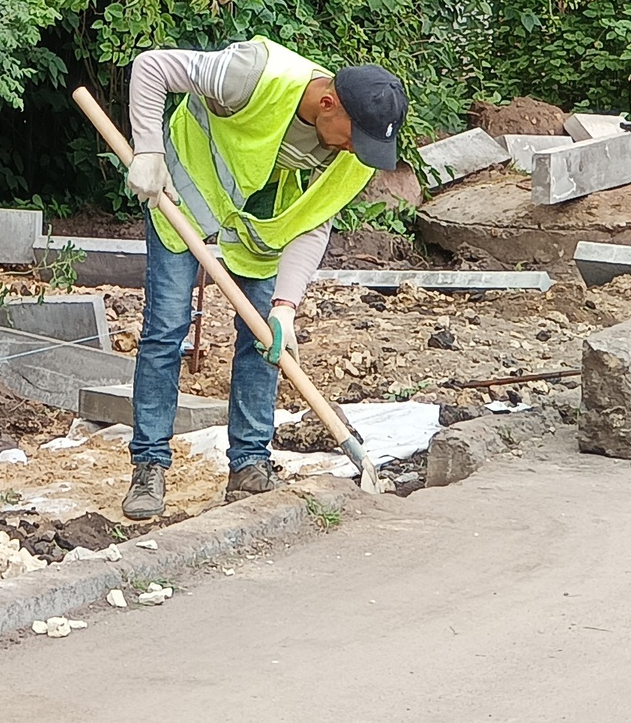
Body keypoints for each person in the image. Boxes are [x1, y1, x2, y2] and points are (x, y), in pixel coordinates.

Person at [116, 38, 419, 520]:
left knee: (264, 340)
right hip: (183, 194)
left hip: (259, 230)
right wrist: (149, 151)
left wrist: (285, 308)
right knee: (166, 329)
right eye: (352, 135)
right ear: (327, 102)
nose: (354, 149)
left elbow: (314, 220)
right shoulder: (253, 74)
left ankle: (250, 465)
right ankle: (149, 465)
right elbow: (151, 66)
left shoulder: (355, 156)